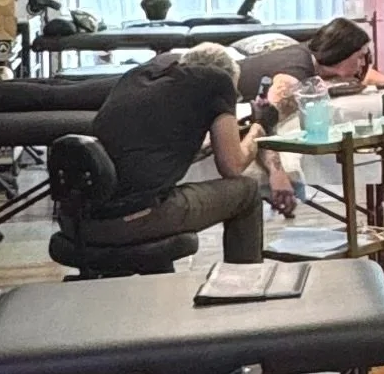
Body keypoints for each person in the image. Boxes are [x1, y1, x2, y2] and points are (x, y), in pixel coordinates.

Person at [89, 40, 295, 258]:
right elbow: (232, 167)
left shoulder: (137, 77)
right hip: (132, 217)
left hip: (81, 219)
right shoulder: (217, 81)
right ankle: (243, 284)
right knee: (247, 190)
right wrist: (260, 125)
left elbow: (144, 149)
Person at [238, 16, 379, 125]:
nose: (363, 63)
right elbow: (268, 116)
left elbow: (363, 76)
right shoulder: (297, 70)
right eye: (360, 57)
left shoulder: (312, 54)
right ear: (342, 53)